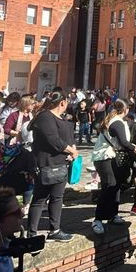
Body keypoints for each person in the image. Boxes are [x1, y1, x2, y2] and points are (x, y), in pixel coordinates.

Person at [27, 91, 78, 242]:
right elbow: (53, 140)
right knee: (40, 198)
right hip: (46, 163)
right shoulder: (45, 117)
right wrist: (71, 150)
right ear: (62, 102)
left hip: (61, 163)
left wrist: (72, 151)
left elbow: (68, 139)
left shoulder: (62, 119)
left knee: (57, 197)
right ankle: (32, 233)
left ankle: (54, 229)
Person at [90, 100, 136, 235]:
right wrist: (135, 148)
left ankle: (113, 214)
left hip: (111, 156)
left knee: (116, 184)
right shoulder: (116, 122)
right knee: (109, 185)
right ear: (126, 109)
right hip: (104, 157)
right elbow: (123, 142)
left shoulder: (115, 120)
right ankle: (98, 219)